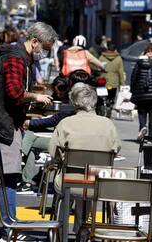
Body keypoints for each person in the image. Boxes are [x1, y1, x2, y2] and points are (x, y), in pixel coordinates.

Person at [0, 22, 58, 242]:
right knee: (9, 176)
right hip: (0, 124)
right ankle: (11, 227)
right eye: (45, 47)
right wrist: (36, 97)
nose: (45, 53)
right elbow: (14, 93)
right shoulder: (16, 59)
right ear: (35, 41)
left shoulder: (19, 58)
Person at [49, 82, 121, 233]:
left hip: (69, 182)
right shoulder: (108, 124)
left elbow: (53, 153)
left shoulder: (65, 123)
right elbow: (116, 149)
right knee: (88, 182)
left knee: (69, 180)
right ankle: (82, 229)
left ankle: (61, 227)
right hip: (98, 183)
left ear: (74, 102)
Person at [130, 44, 152, 141]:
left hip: (141, 93)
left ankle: (143, 127)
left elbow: (134, 77)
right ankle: (151, 136)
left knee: (142, 112)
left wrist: (133, 90)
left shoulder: (139, 62)